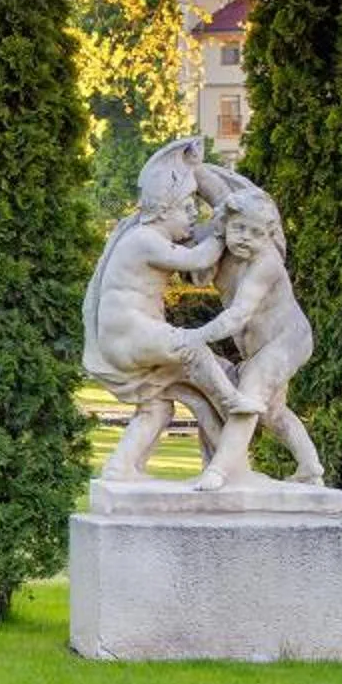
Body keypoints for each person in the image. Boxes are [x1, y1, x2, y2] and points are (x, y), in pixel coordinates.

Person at [83, 137, 256, 480]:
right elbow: (199, 259)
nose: (193, 215)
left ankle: (122, 468)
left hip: (128, 340)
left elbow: (195, 272)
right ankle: (234, 400)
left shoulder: (148, 238)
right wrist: (223, 227)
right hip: (131, 334)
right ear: (164, 210)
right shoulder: (145, 239)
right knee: (193, 348)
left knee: (158, 408)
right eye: (187, 208)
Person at [187, 163, 324, 488]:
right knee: (272, 413)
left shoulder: (266, 264)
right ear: (226, 225)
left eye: (255, 233)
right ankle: (310, 468)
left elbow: (238, 314)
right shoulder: (226, 250)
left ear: (267, 235)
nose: (245, 239)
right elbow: (199, 263)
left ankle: (220, 471)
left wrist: (197, 337)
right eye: (239, 229)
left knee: (248, 392)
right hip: (263, 345)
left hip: (288, 339)